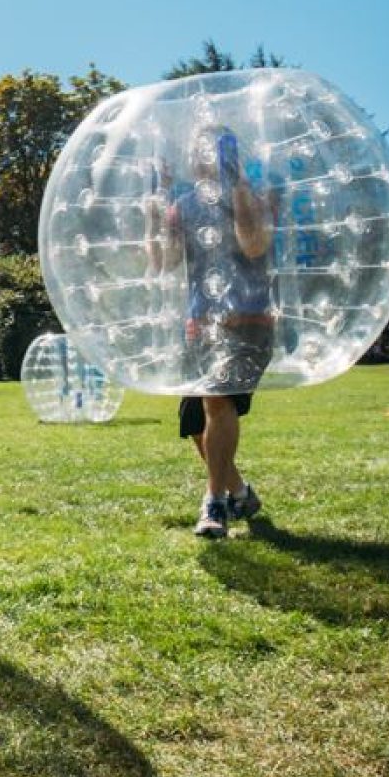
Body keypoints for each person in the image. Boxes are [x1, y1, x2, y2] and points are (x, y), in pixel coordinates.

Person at [147, 127, 276, 538]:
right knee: (195, 425)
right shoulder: (182, 206)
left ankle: (215, 504)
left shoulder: (257, 198)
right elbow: (164, 262)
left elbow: (253, 245)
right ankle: (240, 491)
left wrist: (236, 186)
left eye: (216, 151)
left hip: (247, 322)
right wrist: (156, 209)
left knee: (218, 403)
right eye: (199, 150)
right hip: (200, 325)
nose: (204, 157)